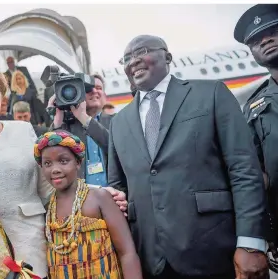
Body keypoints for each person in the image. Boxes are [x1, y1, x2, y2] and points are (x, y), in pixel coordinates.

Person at [0, 62, 123, 279]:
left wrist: (97, 194)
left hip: (28, 259)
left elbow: (52, 190)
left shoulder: (24, 130)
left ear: (2, 99)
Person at [108, 34, 268, 279]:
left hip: (215, 251)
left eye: (141, 52)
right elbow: (117, 187)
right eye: (127, 58)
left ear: (168, 56)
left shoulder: (210, 93)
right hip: (150, 259)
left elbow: (244, 169)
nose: (133, 61)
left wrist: (250, 242)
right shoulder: (118, 122)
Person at [35, 130, 143, 279]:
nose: (55, 169)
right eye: (47, 163)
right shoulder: (48, 209)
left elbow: (127, 253)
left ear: (78, 162)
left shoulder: (100, 198)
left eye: (63, 161)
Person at [235, 4, 278, 256]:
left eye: (272, 30)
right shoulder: (254, 108)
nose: (266, 40)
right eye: (256, 40)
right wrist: (266, 231)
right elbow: (256, 176)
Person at [48, 74, 113, 187]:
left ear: (105, 95)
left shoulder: (116, 121)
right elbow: (52, 156)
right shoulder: (67, 127)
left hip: (115, 197)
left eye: (98, 88)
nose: (94, 91)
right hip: (80, 199)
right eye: (87, 89)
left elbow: (114, 147)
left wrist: (83, 117)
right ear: (76, 92)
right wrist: (57, 119)